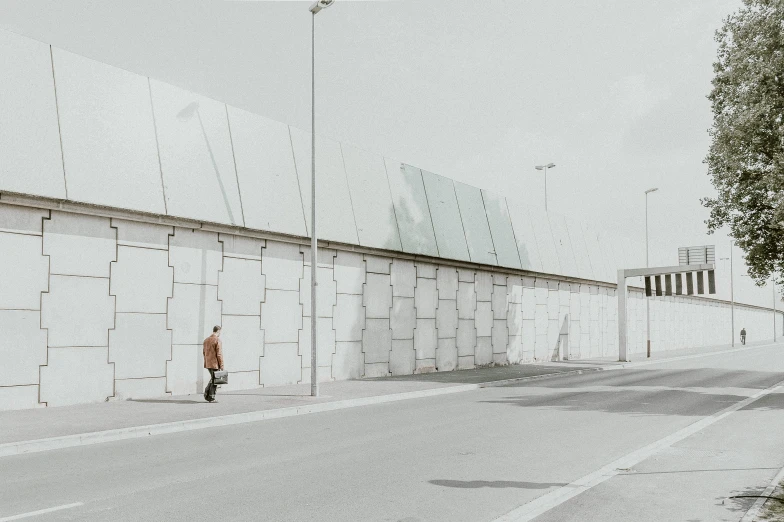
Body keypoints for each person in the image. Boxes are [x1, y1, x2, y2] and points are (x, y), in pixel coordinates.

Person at [203, 325, 224, 403]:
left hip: (208, 363)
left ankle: (208, 394)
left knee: (213, 379)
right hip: (215, 364)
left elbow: (204, 353)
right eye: (220, 332)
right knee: (215, 380)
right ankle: (211, 397)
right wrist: (221, 365)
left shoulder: (206, 340)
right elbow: (219, 354)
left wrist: (206, 362)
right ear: (218, 331)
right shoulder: (217, 340)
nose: (220, 334)